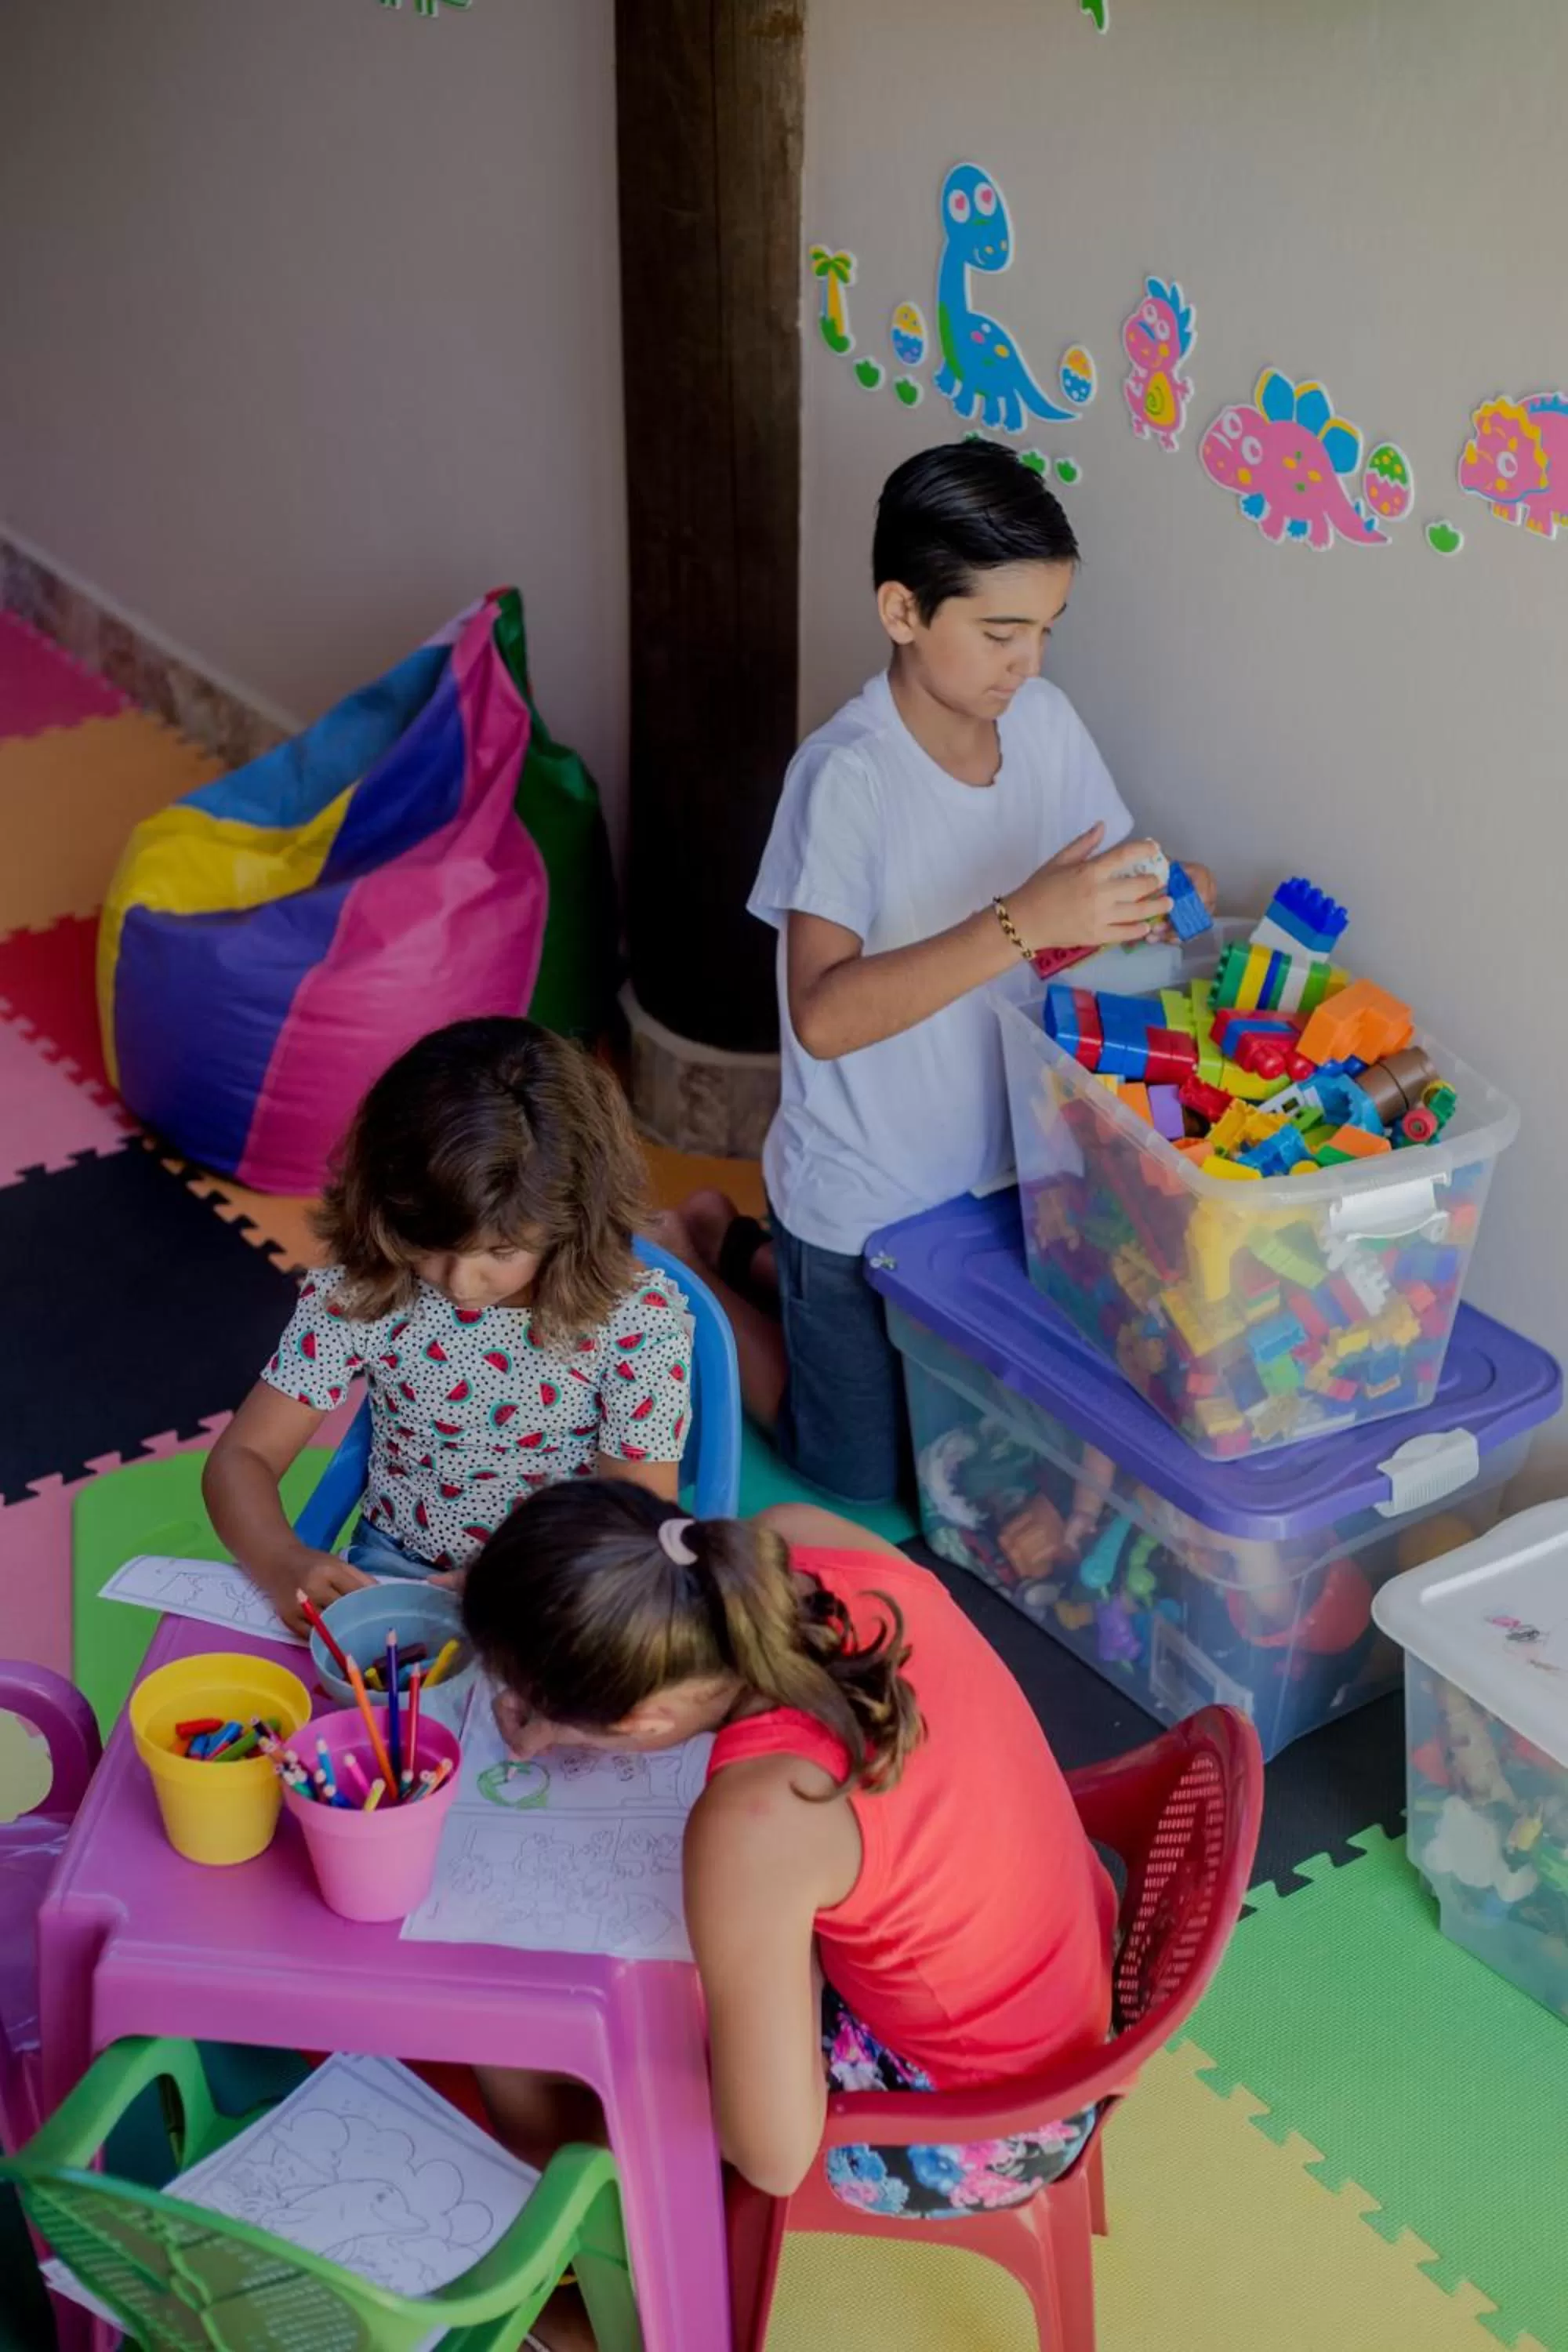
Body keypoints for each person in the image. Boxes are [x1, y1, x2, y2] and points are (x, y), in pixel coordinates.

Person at [655, 441, 1215, 1504]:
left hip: (1005, 1173)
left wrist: (1153, 889)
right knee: (861, 1474)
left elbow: (1099, 885)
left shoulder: (1041, 725)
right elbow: (821, 1014)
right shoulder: (847, 777)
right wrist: (1020, 921)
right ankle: (688, 1265)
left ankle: (737, 1246)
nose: (1030, 664)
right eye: (1002, 633)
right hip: (863, 1193)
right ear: (903, 612)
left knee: (996, 1446)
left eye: (1046, 630)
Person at [463, 1480, 1116, 2270]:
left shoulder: (757, 1820)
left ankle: (585, 2293)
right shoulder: (793, 1536)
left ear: (642, 1722)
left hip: (989, 2115)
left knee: (521, 2049)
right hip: (1055, 1949)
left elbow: (772, 2159)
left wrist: (776, 1923)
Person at [205, 1020, 689, 1635]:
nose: (460, 1282)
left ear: (573, 1221)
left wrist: (517, 1587)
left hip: (558, 1585)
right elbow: (241, 1456)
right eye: (430, 1243)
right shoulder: (364, 1291)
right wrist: (280, 1560)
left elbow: (635, 1524)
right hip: (393, 1568)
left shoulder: (636, 1329)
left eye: (502, 1250)